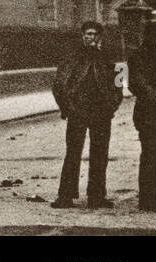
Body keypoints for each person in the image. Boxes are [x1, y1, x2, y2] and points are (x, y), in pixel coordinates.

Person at [50, 20, 123, 209]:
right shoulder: (72, 57)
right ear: (83, 36)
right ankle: (65, 196)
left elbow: (119, 84)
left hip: (101, 111)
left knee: (100, 154)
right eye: (88, 34)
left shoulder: (110, 57)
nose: (91, 37)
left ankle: (97, 196)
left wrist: (112, 106)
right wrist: (66, 108)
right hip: (78, 110)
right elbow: (58, 85)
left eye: (95, 34)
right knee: (73, 153)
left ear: (100, 36)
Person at [128, 14, 156, 211]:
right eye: (153, 33)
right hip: (149, 114)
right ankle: (147, 198)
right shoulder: (137, 56)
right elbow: (137, 83)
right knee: (150, 155)